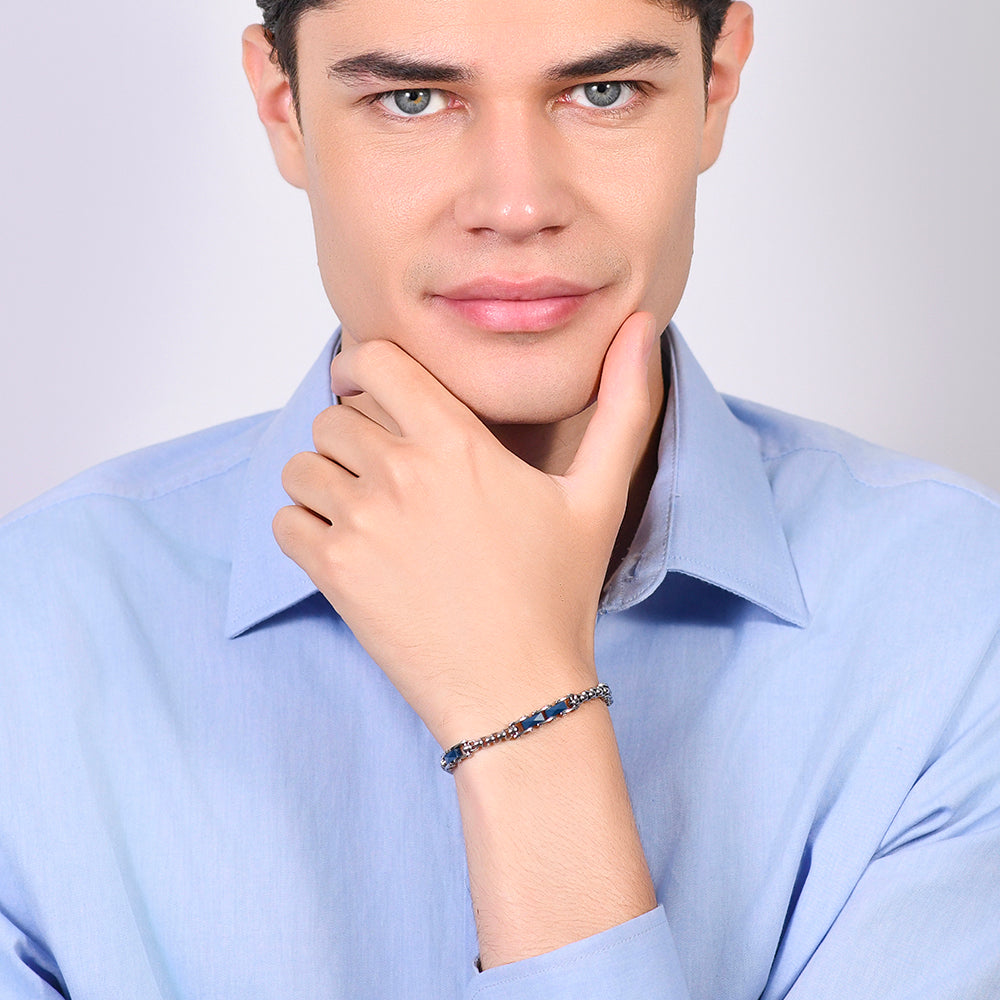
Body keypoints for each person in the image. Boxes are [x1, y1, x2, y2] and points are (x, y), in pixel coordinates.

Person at [1, 1, 997, 997]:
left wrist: (525, 713)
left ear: (716, 83)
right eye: (413, 98)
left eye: (602, 91)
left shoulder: (956, 620)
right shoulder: (37, 629)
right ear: (284, 106)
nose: (517, 205)